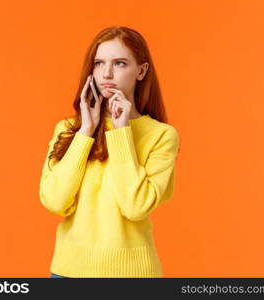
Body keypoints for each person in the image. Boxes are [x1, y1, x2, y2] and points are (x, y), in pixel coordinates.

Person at [39, 26, 181, 278]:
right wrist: (86, 131)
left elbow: (135, 207)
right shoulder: (69, 129)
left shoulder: (161, 135)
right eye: (99, 63)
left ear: (141, 71)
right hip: (67, 274)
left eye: (120, 63)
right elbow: (55, 201)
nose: (106, 73)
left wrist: (121, 131)